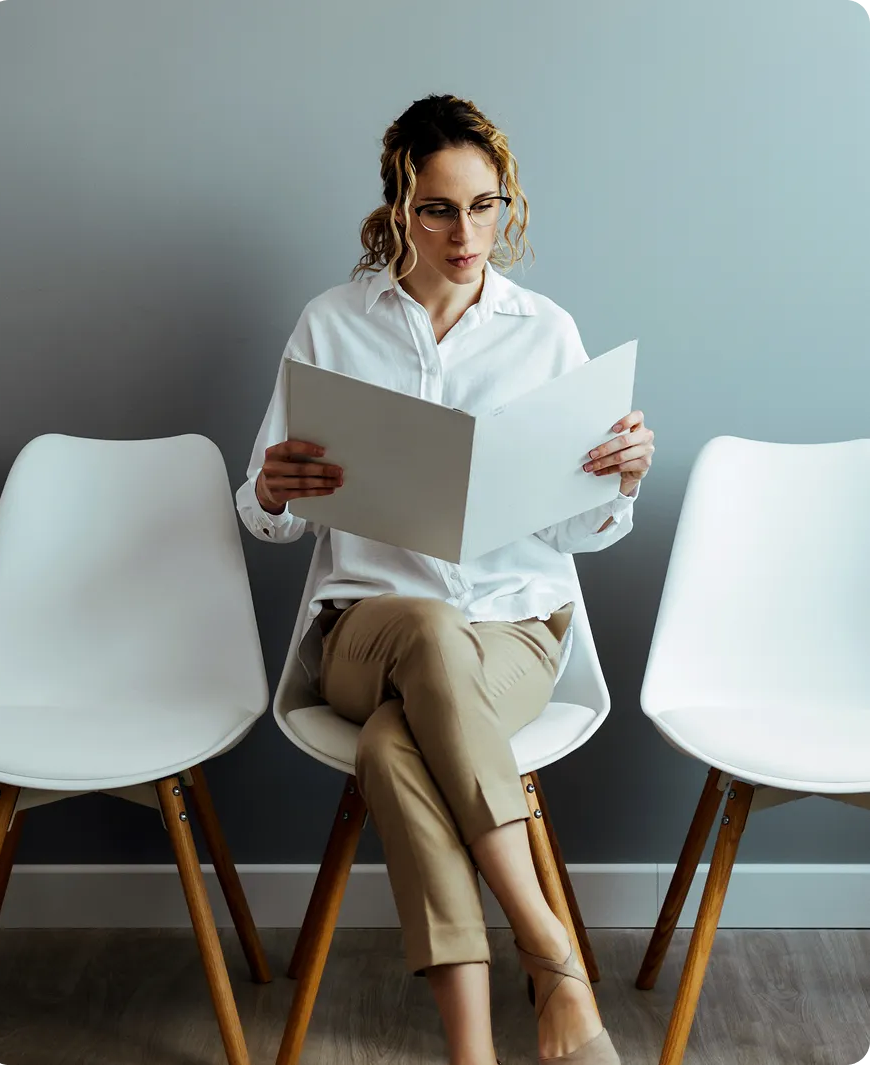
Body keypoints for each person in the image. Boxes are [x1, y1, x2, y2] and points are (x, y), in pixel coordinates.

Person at [237, 94, 654, 1065]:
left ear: (506, 206)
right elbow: (263, 516)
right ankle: (551, 948)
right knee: (422, 627)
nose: (465, 233)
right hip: (365, 633)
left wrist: (616, 484)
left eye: (484, 205)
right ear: (396, 209)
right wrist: (269, 485)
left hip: (512, 631)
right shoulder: (332, 324)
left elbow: (580, 531)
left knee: (395, 746)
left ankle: (471, 1052)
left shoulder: (546, 332)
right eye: (437, 208)